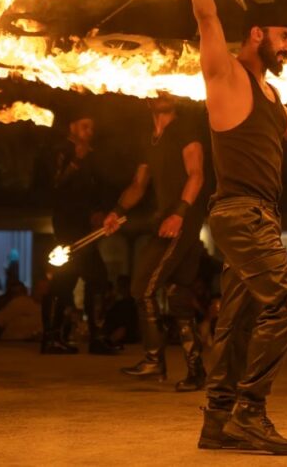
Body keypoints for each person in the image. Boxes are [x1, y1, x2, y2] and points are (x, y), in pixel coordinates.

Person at [190, 0, 287, 455]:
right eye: (285, 36)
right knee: (284, 305)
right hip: (239, 213)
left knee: (239, 319)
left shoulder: (271, 97)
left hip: (260, 218)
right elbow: (207, 18)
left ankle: (217, 420)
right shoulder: (227, 77)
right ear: (257, 34)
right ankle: (249, 412)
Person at [102, 91, 209, 390]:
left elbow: (196, 175)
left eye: (167, 89)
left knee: (142, 287)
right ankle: (196, 371)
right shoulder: (150, 139)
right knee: (177, 296)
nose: (163, 92)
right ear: (147, 98)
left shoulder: (185, 130)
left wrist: (179, 214)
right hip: (168, 220)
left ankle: (153, 359)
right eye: (156, 89)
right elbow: (139, 184)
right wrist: (116, 211)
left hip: (180, 221)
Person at [42, 110, 112, 355]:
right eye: (85, 126)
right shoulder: (61, 150)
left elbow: (94, 191)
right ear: (72, 127)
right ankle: (89, 338)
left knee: (72, 279)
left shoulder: (92, 156)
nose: (89, 132)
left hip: (85, 226)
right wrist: (75, 162)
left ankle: (60, 338)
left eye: (92, 127)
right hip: (67, 224)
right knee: (91, 277)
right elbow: (55, 184)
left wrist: (100, 212)